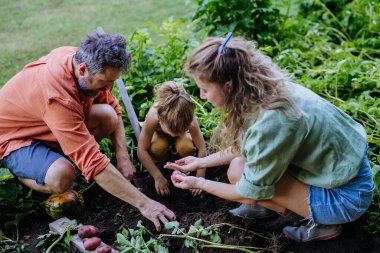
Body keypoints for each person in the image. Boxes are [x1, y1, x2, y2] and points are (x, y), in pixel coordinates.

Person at [165, 34, 375, 242]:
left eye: (205, 89)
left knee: (239, 174)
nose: (202, 96)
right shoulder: (265, 92)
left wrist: (199, 182)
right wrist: (200, 161)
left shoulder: (273, 120)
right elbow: (247, 147)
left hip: (346, 198)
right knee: (240, 165)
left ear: (228, 86)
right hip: (343, 174)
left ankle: (318, 223)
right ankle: (278, 204)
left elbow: (247, 192)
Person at [0, 32, 175, 231]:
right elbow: (93, 162)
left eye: (112, 82)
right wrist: (146, 204)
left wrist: (123, 157)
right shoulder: (58, 97)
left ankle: (59, 155)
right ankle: (27, 172)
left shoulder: (79, 60)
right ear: (83, 70)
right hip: (14, 137)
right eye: (104, 82)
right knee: (62, 176)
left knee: (107, 115)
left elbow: (115, 109)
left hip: (45, 123)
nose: (109, 88)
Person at [137, 81, 207, 197]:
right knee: (157, 148)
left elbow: (202, 148)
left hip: (177, 129)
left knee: (186, 147)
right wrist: (157, 177)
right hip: (159, 132)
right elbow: (141, 150)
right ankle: (160, 165)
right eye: (173, 133)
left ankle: (185, 164)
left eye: (180, 132)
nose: (174, 136)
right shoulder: (153, 117)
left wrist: (200, 178)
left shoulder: (190, 120)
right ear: (161, 119)